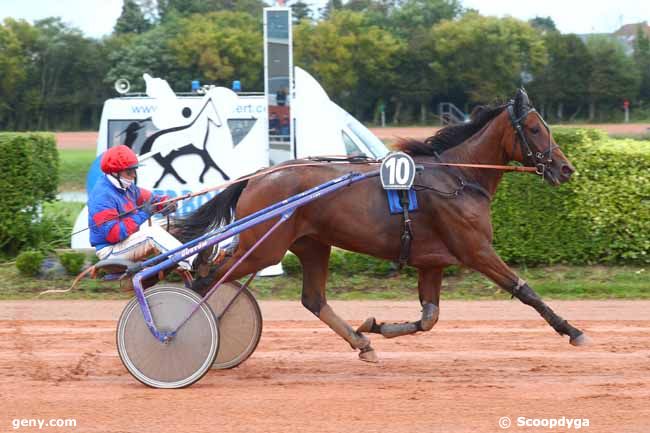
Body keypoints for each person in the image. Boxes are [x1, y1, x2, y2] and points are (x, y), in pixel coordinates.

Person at [87, 145, 193, 271]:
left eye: (134, 171)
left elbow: (152, 199)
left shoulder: (127, 187)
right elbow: (114, 234)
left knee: (172, 224)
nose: (133, 176)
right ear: (115, 172)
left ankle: (196, 255)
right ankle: (193, 261)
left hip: (125, 243)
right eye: (129, 172)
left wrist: (166, 202)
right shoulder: (102, 196)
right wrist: (144, 214)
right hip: (110, 252)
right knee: (151, 233)